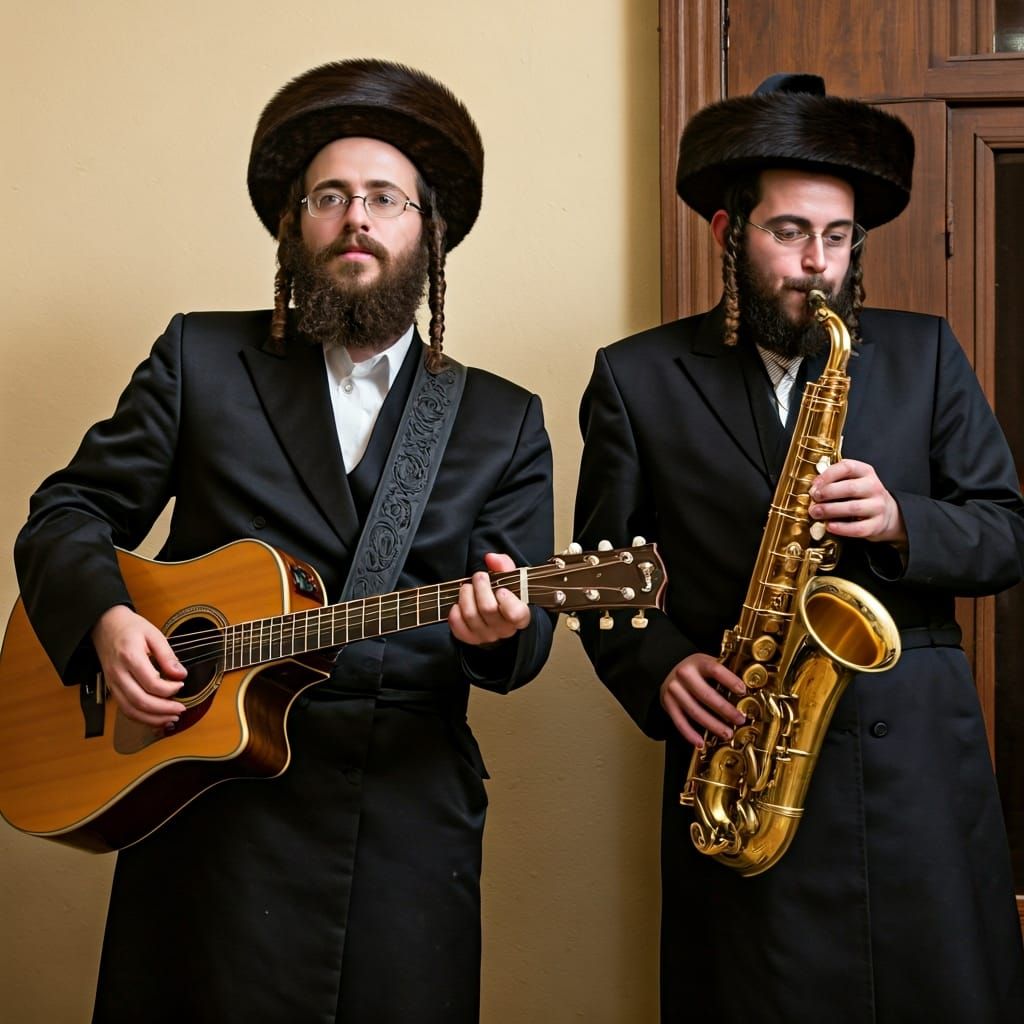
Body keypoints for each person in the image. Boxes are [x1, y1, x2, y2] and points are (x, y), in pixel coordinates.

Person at [14, 59, 554, 1024]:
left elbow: (524, 646)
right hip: (205, 807)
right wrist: (103, 618)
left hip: (400, 825)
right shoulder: (201, 358)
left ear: (428, 233)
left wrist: (498, 629)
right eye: (329, 196)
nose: (356, 217)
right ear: (292, 228)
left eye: (385, 198)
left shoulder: (503, 420)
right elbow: (68, 512)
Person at [574, 73, 1024, 1023]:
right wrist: (659, 667)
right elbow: (602, 579)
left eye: (837, 237)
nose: (817, 263)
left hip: (918, 783)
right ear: (728, 233)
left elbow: (1006, 533)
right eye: (789, 232)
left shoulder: (927, 352)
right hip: (745, 760)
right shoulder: (636, 377)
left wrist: (906, 519)